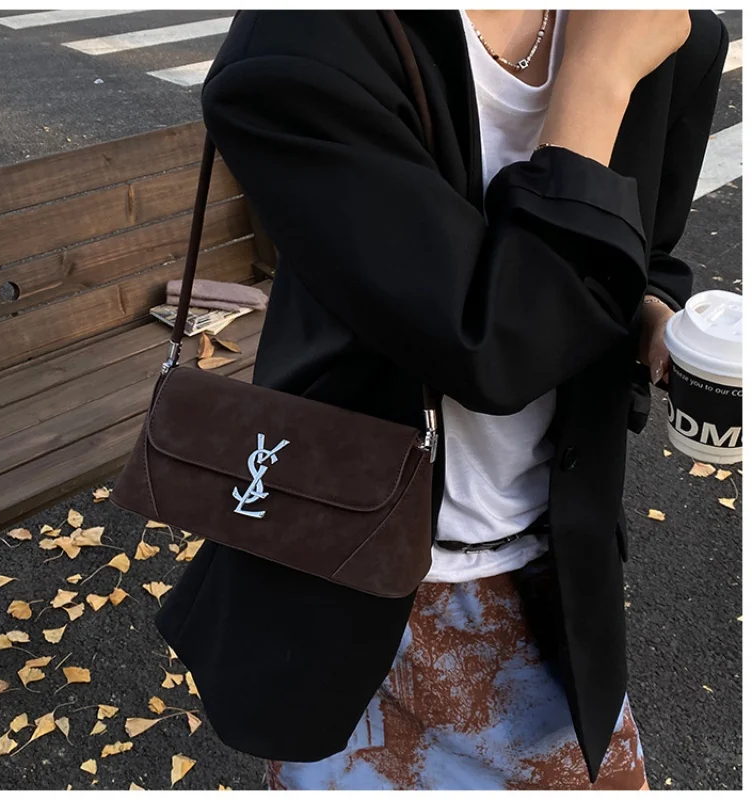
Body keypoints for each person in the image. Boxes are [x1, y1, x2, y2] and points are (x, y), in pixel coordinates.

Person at [153, 8, 728, 791]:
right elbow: (495, 349)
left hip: (557, 578)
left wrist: (660, 320)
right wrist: (596, 79)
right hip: (354, 589)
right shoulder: (304, 44)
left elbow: (642, 252)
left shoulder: (667, 33)